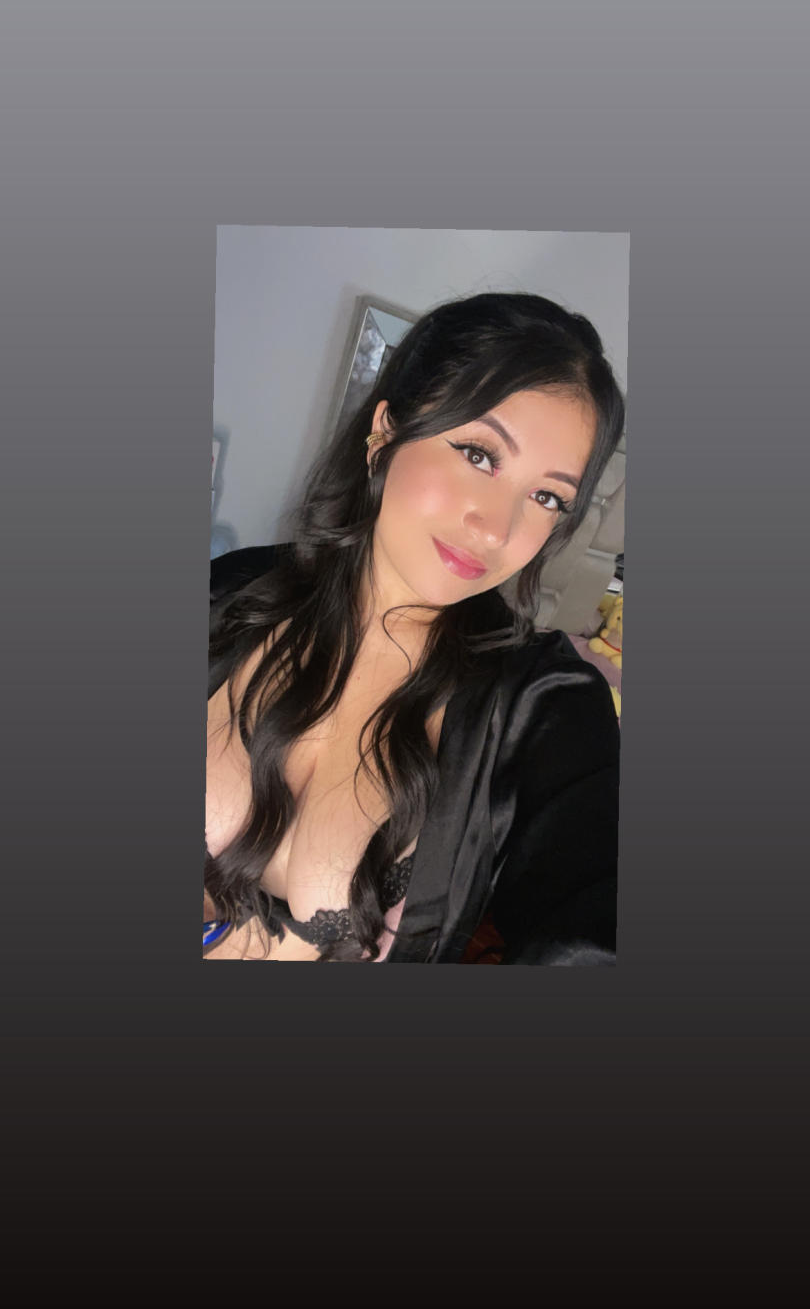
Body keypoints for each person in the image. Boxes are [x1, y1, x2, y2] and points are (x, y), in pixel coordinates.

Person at [204, 291, 625, 962]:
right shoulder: (229, 593)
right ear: (385, 433)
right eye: (480, 455)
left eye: (547, 496)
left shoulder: (546, 709)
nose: (497, 527)